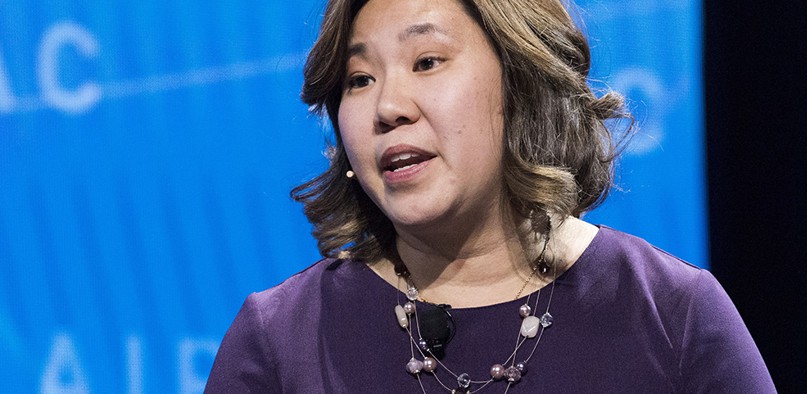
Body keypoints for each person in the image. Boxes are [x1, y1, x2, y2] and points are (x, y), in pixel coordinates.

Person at [205, 0, 776, 392]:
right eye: (359, 79)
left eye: (427, 62)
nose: (387, 106)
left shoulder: (672, 315)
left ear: (520, 79)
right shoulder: (279, 341)